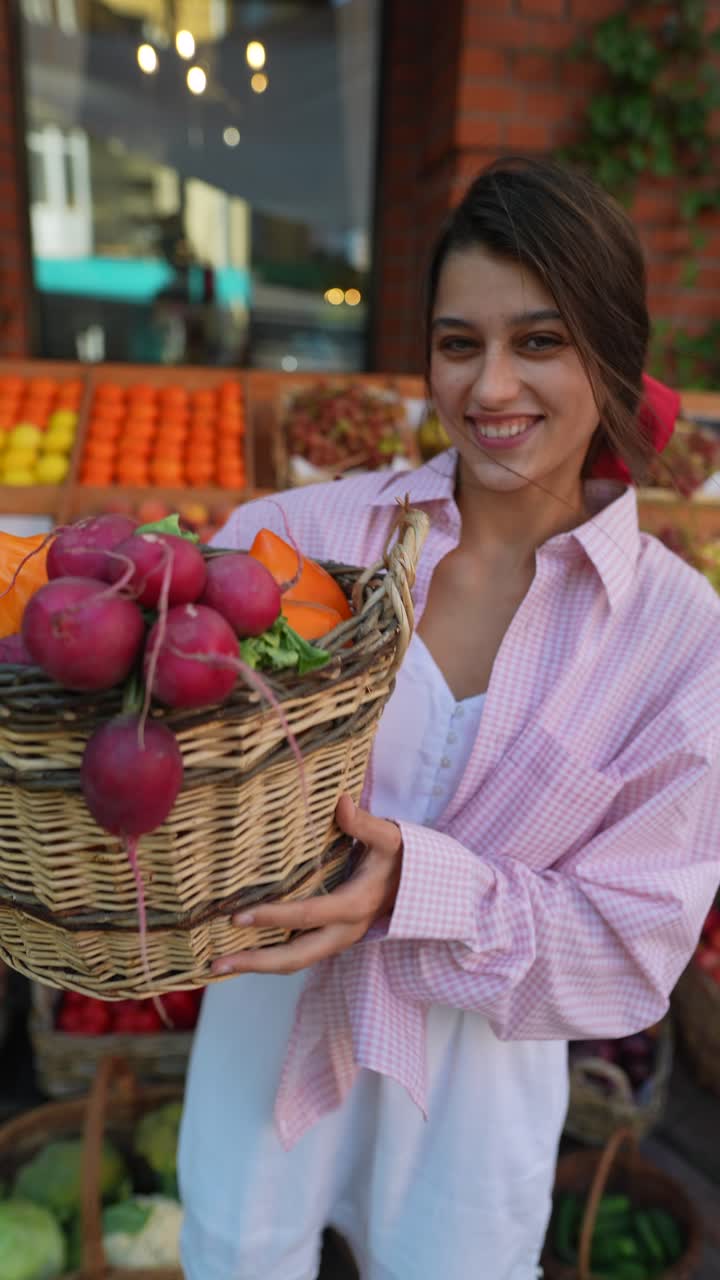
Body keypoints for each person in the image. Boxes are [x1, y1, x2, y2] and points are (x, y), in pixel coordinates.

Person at [178, 156, 720, 1280]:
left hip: (474, 1088)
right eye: (458, 343)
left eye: (540, 341)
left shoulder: (677, 634)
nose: (489, 389)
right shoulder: (299, 534)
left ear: (614, 356)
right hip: (267, 1034)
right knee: (243, 1251)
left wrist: (413, 889)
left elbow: (631, 945)